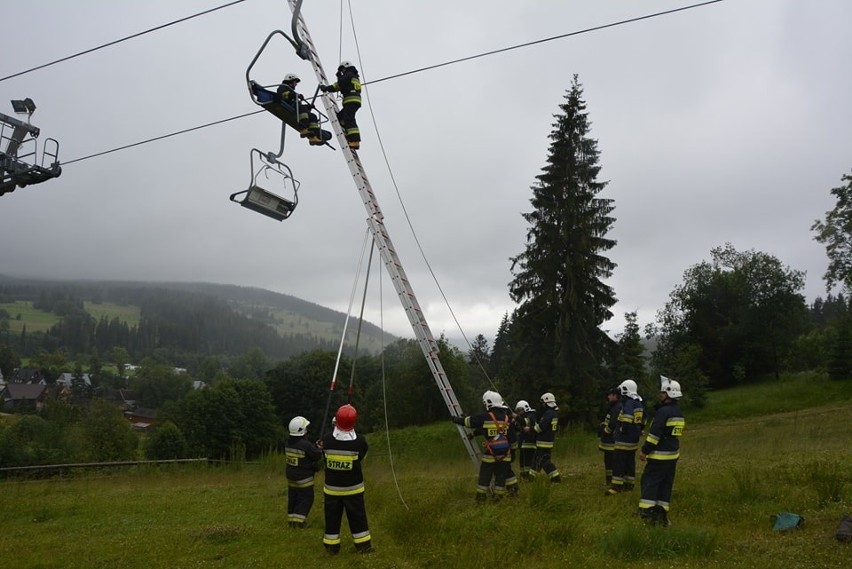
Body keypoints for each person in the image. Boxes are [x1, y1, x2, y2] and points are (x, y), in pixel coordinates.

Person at [321, 404, 372, 554]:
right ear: (354, 422)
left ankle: (331, 547)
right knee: (358, 518)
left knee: (332, 519)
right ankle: (363, 547)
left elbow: (324, 456)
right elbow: (361, 457)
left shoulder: (327, 440)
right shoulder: (360, 442)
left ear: (336, 421)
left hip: (332, 491)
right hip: (353, 490)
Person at [452, 390, 519, 500]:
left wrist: (457, 419)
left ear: (488, 403)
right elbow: (513, 439)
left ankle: (481, 497)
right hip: (505, 454)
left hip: (490, 455)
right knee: (501, 476)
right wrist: (513, 453)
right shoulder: (507, 419)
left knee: (485, 475)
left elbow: (470, 422)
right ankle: (499, 497)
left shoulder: (486, 416)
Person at [638, 376, 685, 526]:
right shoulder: (678, 413)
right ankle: (662, 513)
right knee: (666, 484)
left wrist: (644, 451)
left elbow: (654, 435)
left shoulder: (663, 412)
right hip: (672, 456)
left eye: (663, 392)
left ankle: (647, 513)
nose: (660, 395)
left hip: (659, 456)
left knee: (650, 482)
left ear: (670, 394)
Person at [607, 379, 644, 495]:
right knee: (630, 463)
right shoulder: (639, 403)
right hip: (633, 440)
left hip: (623, 440)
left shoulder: (628, 404)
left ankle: (616, 487)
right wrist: (639, 429)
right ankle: (629, 485)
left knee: (618, 463)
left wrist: (623, 429)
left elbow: (627, 418)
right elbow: (644, 419)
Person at [285, 416, 323, 528]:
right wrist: (319, 448)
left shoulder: (288, 443)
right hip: (304, 479)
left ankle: (291, 520)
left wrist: (314, 447)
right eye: (305, 428)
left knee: (293, 498)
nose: (307, 430)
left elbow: (305, 453)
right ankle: (299, 522)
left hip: (291, 478)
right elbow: (316, 455)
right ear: (301, 430)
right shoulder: (305, 445)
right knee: (306, 499)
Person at [320, 61, 362, 150]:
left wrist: (326, 88)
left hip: (350, 99)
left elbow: (339, 85)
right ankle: (349, 135)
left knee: (349, 119)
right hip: (354, 99)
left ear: (346, 67)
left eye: (342, 69)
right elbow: (344, 84)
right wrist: (340, 76)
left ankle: (355, 141)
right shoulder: (354, 76)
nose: (342, 71)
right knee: (340, 117)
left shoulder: (349, 74)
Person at [276, 73, 323, 145]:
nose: (296, 84)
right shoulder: (283, 87)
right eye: (295, 82)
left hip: (295, 107)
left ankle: (313, 137)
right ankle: (303, 129)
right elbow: (283, 95)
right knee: (302, 108)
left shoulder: (291, 91)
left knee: (313, 116)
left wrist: (309, 106)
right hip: (288, 106)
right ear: (290, 80)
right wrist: (296, 95)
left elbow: (299, 106)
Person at [533, 392, 561, 483]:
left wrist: (531, 428)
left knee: (544, 461)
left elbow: (540, 428)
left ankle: (555, 478)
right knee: (537, 459)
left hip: (543, 442)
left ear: (546, 403)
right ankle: (531, 476)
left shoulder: (548, 414)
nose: (542, 405)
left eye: (543, 403)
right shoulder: (553, 413)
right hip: (548, 441)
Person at [598, 387, 622, 487]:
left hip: (611, 440)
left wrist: (605, 431)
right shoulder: (614, 406)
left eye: (610, 395)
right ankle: (609, 481)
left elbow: (612, 423)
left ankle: (612, 481)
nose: (608, 397)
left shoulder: (617, 407)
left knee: (611, 462)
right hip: (609, 440)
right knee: (608, 461)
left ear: (615, 395)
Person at [513, 400, 537, 480]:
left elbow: (525, 422)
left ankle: (529, 477)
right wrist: (514, 422)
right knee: (522, 460)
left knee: (528, 461)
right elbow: (518, 428)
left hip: (530, 443)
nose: (519, 412)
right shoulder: (522, 417)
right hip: (523, 443)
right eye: (517, 411)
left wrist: (516, 417)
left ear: (525, 408)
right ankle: (523, 475)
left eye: (520, 410)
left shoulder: (531, 415)